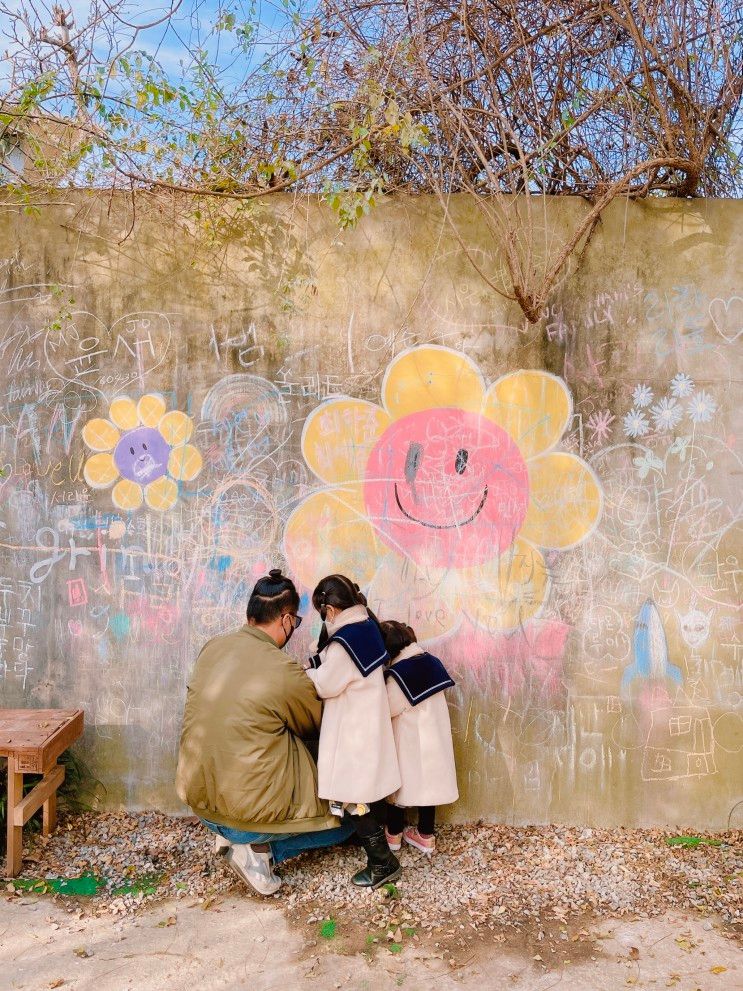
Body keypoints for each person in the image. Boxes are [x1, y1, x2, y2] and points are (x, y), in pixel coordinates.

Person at [175, 568, 353, 896]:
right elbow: (314, 722)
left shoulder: (213, 647)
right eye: (296, 623)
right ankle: (261, 853)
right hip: (241, 813)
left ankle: (233, 834)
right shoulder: (282, 668)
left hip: (201, 801)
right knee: (349, 821)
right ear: (285, 619)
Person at [305, 574, 402, 888]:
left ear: (330, 610)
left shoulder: (344, 642)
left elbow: (326, 684)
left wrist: (308, 670)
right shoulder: (366, 628)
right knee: (364, 793)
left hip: (352, 730)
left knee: (354, 795)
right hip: (367, 723)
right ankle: (371, 850)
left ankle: (382, 863)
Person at [380, 620, 458, 855]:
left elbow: (388, 709)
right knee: (429, 786)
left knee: (397, 787)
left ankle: (393, 835)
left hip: (408, 740)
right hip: (434, 736)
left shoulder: (399, 674)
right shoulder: (431, 662)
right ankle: (425, 835)